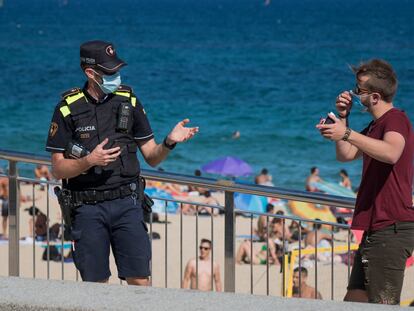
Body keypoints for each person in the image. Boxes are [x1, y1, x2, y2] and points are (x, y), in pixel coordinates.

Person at [45, 40, 198, 285]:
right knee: (96, 287)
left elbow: (152, 156)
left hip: (127, 204)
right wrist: (88, 160)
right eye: (109, 72)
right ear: (90, 73)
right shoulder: (67, 109)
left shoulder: (129, 101)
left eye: (117, 69)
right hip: (87, 208)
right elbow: (57, 168)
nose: (115, 75)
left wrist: (170, 141)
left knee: (140, 283)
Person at [316, 59, 414, 304]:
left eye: (359, 90)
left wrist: (347, 133)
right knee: (355, 300)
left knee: (382, 303)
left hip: (391, 227)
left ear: (375, 97)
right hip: (376, 228)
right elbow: (345, 155)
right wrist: (342, 120)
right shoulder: (375, 126)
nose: (353, 94)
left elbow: (392, 152)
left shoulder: (395, 120)